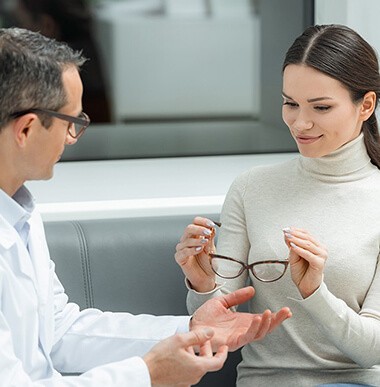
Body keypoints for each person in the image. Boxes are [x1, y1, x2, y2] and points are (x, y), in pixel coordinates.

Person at [0, 27, 292, 386]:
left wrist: (191, 329)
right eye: (72, 122)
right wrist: (148, 373)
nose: (73, 138)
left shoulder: (20, 213)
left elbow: (59, 329)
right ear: (27, 130)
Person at [175, 24, 380, 387]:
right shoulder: (252, 187)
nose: (300, 122)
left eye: (321, 107)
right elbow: (216, 324)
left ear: (366, 105)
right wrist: (202, 282)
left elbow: (373, 351)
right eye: (290, 103)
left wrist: (315, 293)